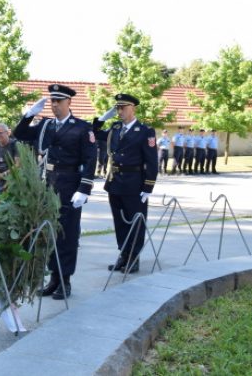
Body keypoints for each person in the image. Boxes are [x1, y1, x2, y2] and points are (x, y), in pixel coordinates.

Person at [13, 84, 97, 300]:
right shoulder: (46, 125)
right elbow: (19, 134)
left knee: (67, 235)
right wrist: (28, 115)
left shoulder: (82, 128)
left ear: (69, 102)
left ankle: (65, 280)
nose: (55, 105)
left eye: (59, 101)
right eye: (52, 101)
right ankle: (53, 278)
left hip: (70, 185)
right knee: (49, 233)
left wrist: (84, 189)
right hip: (48, 184)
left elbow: (90, 160)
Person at [93, 93, 158, 274]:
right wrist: (101, 119)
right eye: (118, 108)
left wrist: (148, 186)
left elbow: (152, 161)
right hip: (115, 182)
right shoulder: (115, 128)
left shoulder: (145, 131)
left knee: (135, 222)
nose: (120, 111)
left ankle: (133, 258)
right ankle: (123, 254)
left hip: (134, 183)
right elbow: (95, 133)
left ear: (132, 108)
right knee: (120, 221)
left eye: (123, 107)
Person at [0, 124, 19, 191]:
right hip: (0, 180)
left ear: (7, 133)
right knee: (1, 196)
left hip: (14, 180)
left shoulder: (14, 144)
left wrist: (4, 174)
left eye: (0, 133)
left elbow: (18, 165)